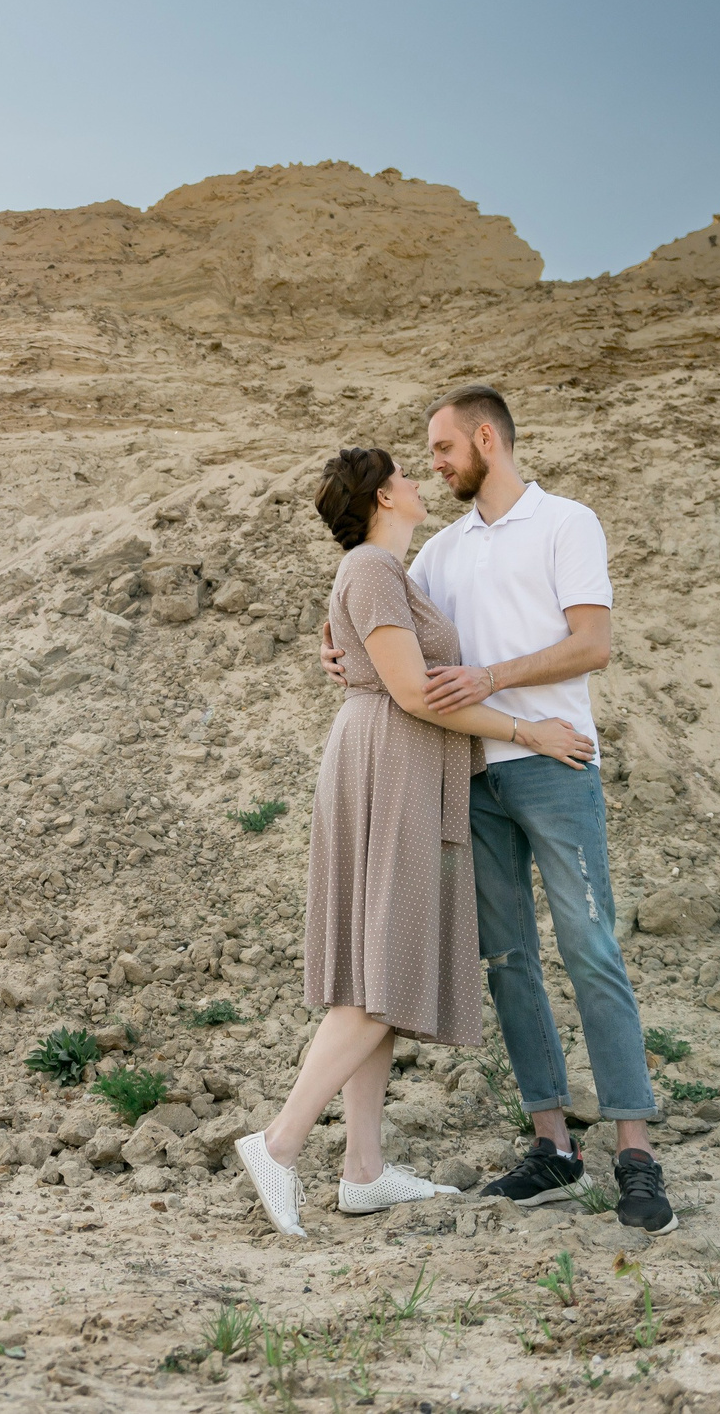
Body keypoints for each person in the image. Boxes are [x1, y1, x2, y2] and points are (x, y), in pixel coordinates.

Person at [321, 384, 676, 1234]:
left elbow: (595, 642)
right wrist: (334, 654)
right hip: (471, 777)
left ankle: (636, 1153)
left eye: (443, 448)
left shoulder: (567, 523)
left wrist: (492, 677)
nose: (435, 463)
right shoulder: (437, 552)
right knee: (510, 959)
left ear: (487, 438)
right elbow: (371, 605)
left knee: (592, 949)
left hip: (555, 760)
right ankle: (552, 1145)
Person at [236, 446, 595, 1239]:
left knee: (380, 969)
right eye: (404, 473)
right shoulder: (371, 567)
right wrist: (526, 729)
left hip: (397, 763)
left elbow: (372, 652)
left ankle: (363, 1169)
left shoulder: (395, 569)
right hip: (391, 764)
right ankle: (279, 1141)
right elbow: (413, 690)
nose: (418, 480)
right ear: (382, 496)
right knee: (384, 974)